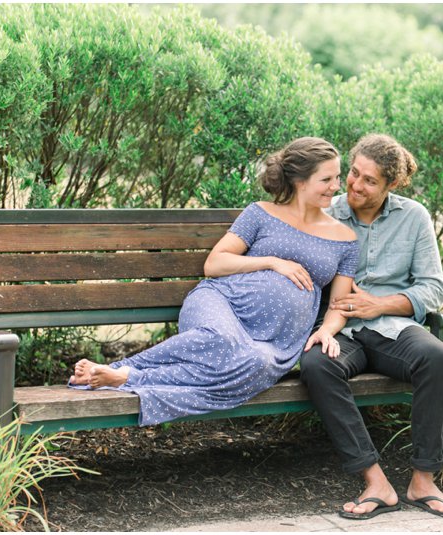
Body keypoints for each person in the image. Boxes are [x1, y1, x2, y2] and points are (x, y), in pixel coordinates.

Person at [70, 137, 359, 426]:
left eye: (336, 177)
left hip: (275, 340)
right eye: (327, 179)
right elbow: (215, 263)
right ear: (300, 182)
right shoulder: (260, 213)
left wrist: (328, 331)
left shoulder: (345, 238)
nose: (336, 187)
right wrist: (272, 262)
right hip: (222, 303)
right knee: (222, 340)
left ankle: (125, 378)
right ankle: (123, 371)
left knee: (255, 364)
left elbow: (339, 303)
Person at [299, 134, 443, 520]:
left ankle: (423, 480)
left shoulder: (414, 217)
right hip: (341, 328)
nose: (355, 185)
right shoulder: (326, 213)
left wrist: (380, 304)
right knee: (317, 366)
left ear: (392, 185)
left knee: (435, 356)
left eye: (369, 181)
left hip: (395, 327)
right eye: (353, 173)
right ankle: (376, 482)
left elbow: (432, 287)